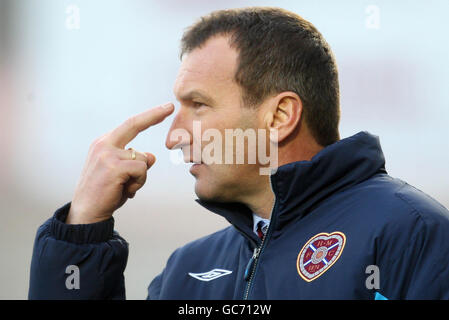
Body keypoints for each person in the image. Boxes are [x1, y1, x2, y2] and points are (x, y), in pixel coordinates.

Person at [29, 7, 449, 300]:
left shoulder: (411, 232)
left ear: (280, 115)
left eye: (198, 105)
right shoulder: (187, 269)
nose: (173, 137)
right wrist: (82, 230)